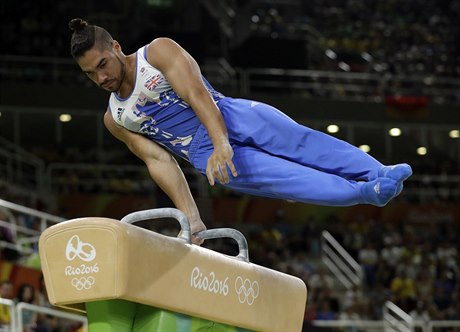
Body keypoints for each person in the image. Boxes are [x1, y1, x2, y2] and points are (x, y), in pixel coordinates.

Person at [68, 18, 412, 243]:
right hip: (208, 158)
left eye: (102, 65)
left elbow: (197, 95)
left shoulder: (157, 53)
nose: (101, 78)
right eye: (90, 74)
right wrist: (192, 218)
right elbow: (160, 161)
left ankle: (378, 170)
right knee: (293, 180)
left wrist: (222, 141)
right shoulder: (116, 119)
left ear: (115, 47)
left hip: (229, 115)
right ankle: (369, 192)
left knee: (302, 142)